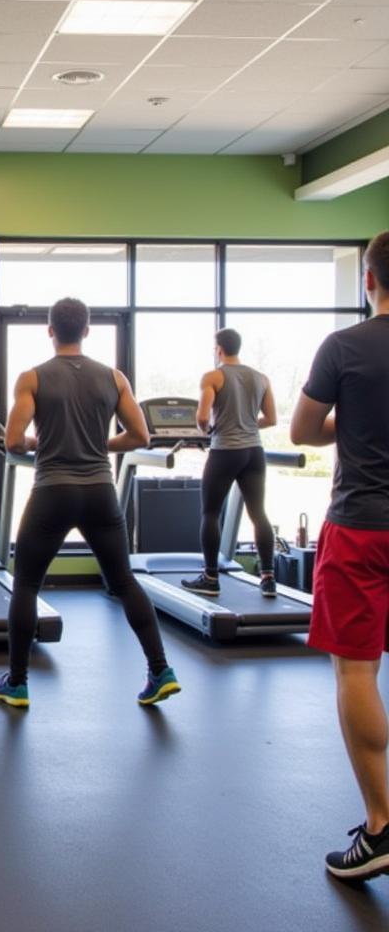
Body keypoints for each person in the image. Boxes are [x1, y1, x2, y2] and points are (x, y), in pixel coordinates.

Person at [0, 297, 180, 709]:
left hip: (52, 491)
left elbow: (12, 441)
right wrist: (99, 444)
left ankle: (17, 683)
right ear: (87, 330)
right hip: (99, 491)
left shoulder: (32, 378)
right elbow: (140, 437)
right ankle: (160, 669)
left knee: (25, 583)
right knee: (124, 581)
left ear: (51, 331)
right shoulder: (114, 378)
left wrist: (40, 442)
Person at [290, 230, 389, 881]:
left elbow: (302, 430)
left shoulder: (346, 346)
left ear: (369, 280)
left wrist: (346, 422)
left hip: (362, 528)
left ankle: (383, 827)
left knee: (357, 674)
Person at [181, 328, 277, 598]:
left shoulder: (213, 376)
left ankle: (210, 578)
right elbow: (270, 419)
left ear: (219, 349)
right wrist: (246, 424)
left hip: (225, 451)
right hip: (254, 452)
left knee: (210, 513)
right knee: (259, 514)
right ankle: (268, 578)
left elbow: (202, 418)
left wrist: (212, 428)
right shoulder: (261, 378)